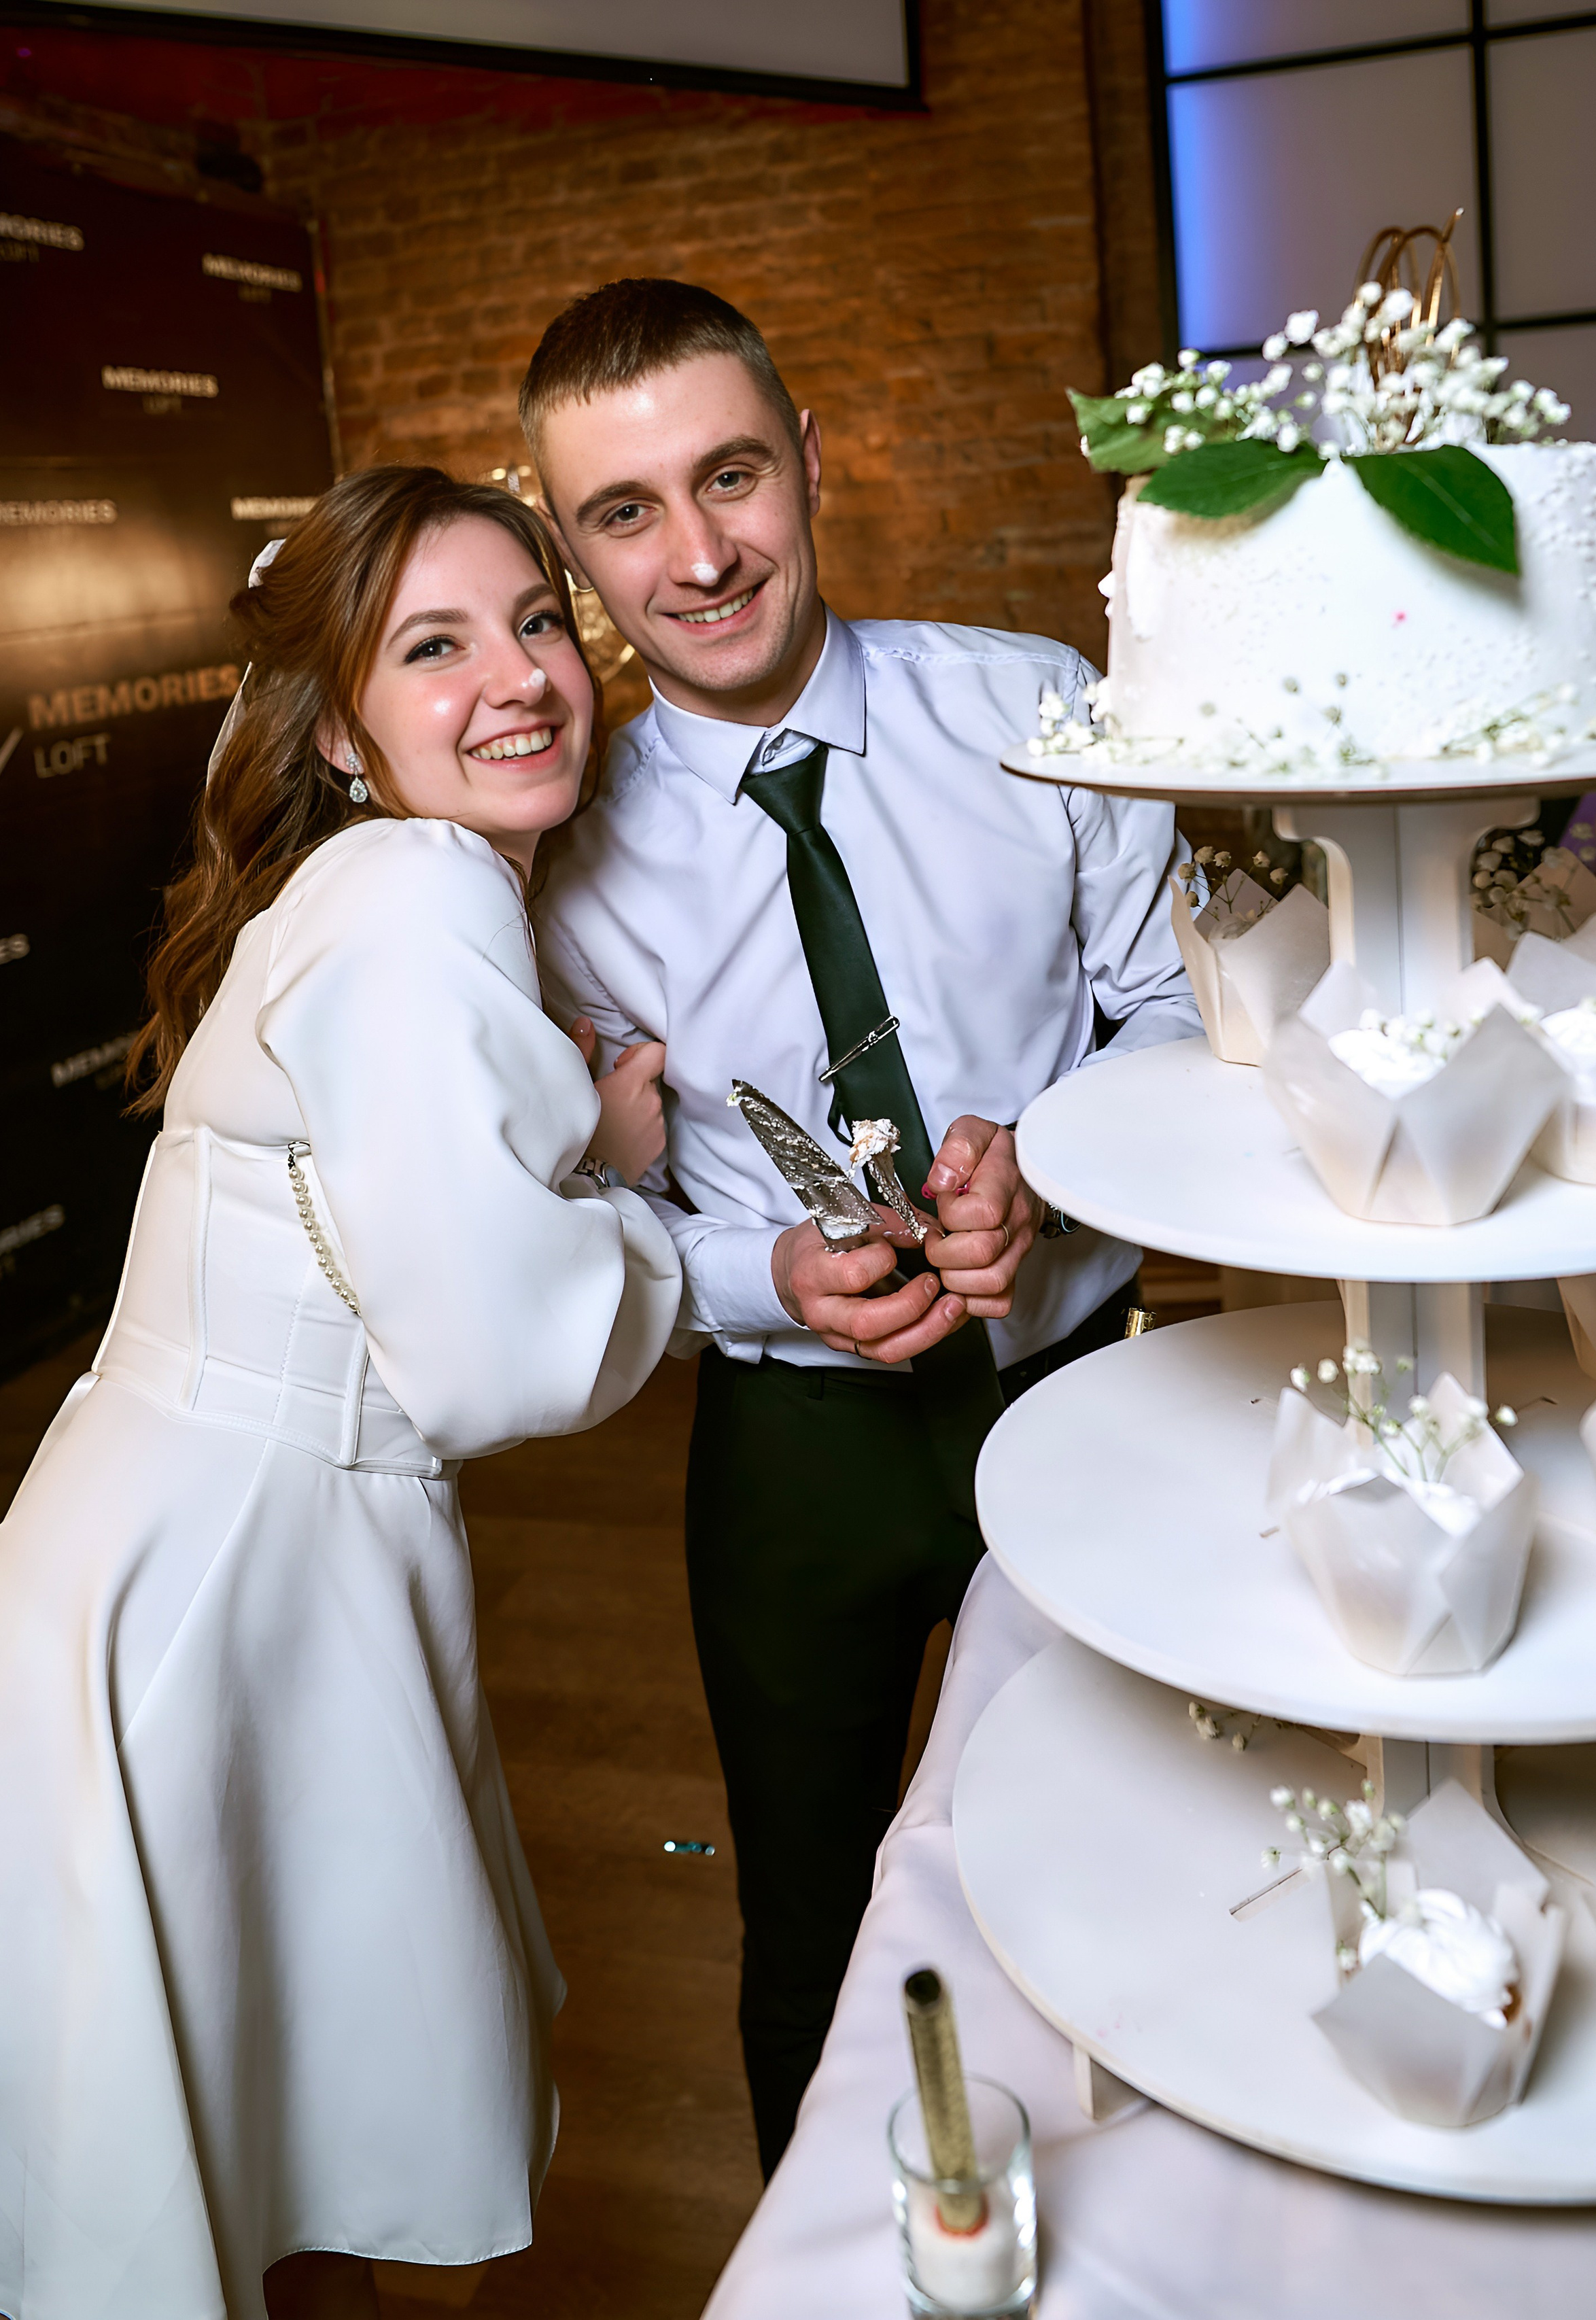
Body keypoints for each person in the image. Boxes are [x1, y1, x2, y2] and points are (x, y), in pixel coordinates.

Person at [523, 277, 1201, 2172]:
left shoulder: (1042, 712)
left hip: (1074, 1397)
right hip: (788, 1448)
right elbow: (594, 1204)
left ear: (810, 464)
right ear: (572, 544)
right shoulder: (550, 848)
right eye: (625, 512)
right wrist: (762, 1273)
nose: (701, 552)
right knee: (806, 1928)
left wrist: (1048, 1168)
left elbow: (1172, 1013)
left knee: (1116, 1867)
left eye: (731, 476)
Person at [0, 467, 680, 2320]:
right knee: (242, 2128)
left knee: (226, 2131)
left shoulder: (373, 881)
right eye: (434, 648)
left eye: (539, 621)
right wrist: (629, 1191)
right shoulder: (417, 886)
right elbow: (480, 1351)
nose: (520, 676)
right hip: (234, 1575)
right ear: (351, 737)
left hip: (180, 1541)